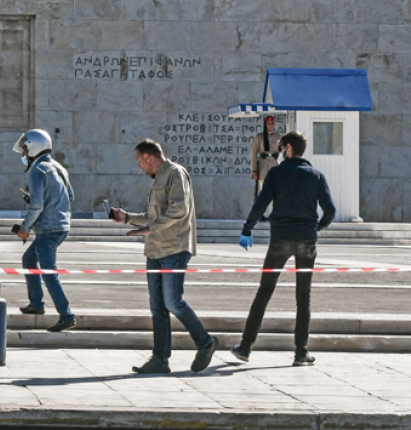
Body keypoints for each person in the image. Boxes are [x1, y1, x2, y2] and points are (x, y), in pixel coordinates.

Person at [109, 139, 218, 374]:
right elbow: (154, 215)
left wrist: (150, 229)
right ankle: (160, 359)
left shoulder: (176, 174)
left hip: (174, 249)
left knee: (173, 302)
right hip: (155, 251)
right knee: (157, 307)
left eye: (140, 161)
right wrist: (126, 218)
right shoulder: (158, 178)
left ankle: (206, 342)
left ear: (148, 157)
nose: (139, 167)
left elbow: (179, 210)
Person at [232, 131, 336, 367]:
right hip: (307, 240)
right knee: (303, 298)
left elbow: (261, 204)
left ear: (288, 148)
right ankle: (301, 353)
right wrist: (316, 228)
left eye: (280, 147)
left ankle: (245, 347)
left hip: (280, 238)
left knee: (264, 292)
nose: (279, 150)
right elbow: (330, 211)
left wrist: (247, 229)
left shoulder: (277, 173)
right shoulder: (316, 176)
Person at [12, 129, 76, 332]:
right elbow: (70, 197)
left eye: (24, 150)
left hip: (48, 228)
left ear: (33, 146)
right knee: (29, 260)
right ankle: (36, 304)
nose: (23, 155)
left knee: (49, 273)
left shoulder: (38, 170)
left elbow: (37, 205)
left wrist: (24, 228)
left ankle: (66, 316)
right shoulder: (59, 168)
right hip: (61, 226)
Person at [250, 116, 284, 196]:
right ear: (265, 124)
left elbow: (283, 152)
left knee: (275, 194)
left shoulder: (278, 137)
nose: (270, 125)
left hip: (275, 166)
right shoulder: (259, 137)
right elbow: (253, 153)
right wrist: (254, 170)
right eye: (268, 123)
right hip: (263, 167)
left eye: (272, 123)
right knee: (265, 194)